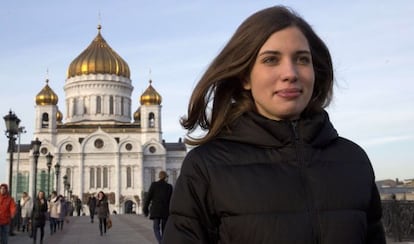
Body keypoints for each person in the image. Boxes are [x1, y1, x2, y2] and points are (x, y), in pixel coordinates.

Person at [162, 6, 386, 244]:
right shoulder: (205, 168)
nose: (290, 73)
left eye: (302, 59)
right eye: (271, 60)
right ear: (245, 77)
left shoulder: (353, 161)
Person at [143, 171, 173, 244]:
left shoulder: (154, 185)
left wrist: (145, 210)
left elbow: (148, 198)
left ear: (159, 177)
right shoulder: (169, 187)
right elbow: (171, 200)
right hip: (165, 211)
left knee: (156, 228)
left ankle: (161, 242)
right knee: (164, 229)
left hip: (156, 211)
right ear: (165, 177)